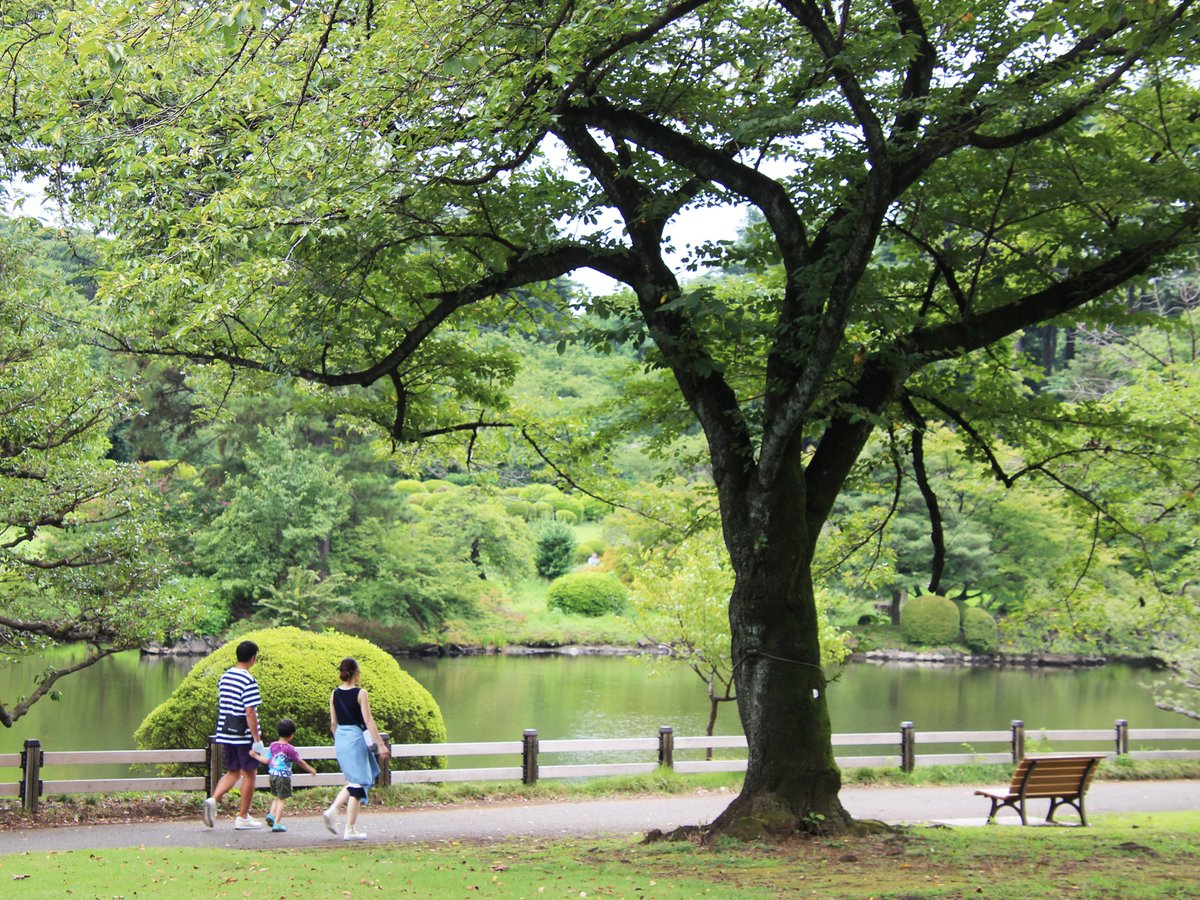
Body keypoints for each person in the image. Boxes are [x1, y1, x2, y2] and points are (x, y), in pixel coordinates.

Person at [323, 657, 390, 841]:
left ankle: (336, 812)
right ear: (356, 673)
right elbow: (368, 721)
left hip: (341, 739)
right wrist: (381, 744)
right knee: (358, 783)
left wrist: (339, 740)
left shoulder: (334, 693)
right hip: (355, 738)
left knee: (354, 781)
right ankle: (347, 826)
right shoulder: (361, 693)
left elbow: (333, 723)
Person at [202, 640, 266, 830]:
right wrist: (256, 739)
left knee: (232, 772)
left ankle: (213, 799)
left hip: (225, 732)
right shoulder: (248, 680)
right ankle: (243, 817)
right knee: (249, 775)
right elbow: (250, 712)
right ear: (253, 658)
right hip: (243, 735)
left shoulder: (225, 676)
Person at [263, 717, 316, 833]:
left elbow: (266, 760)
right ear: (292, 734)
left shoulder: (273, 745)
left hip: (272, 775)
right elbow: (299, 761)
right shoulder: (290, 749)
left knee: (277, 796)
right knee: (282, 799)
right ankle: (277, 823)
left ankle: (271, 814)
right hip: (283, 776)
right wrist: (310, 769)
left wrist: (255, 756)